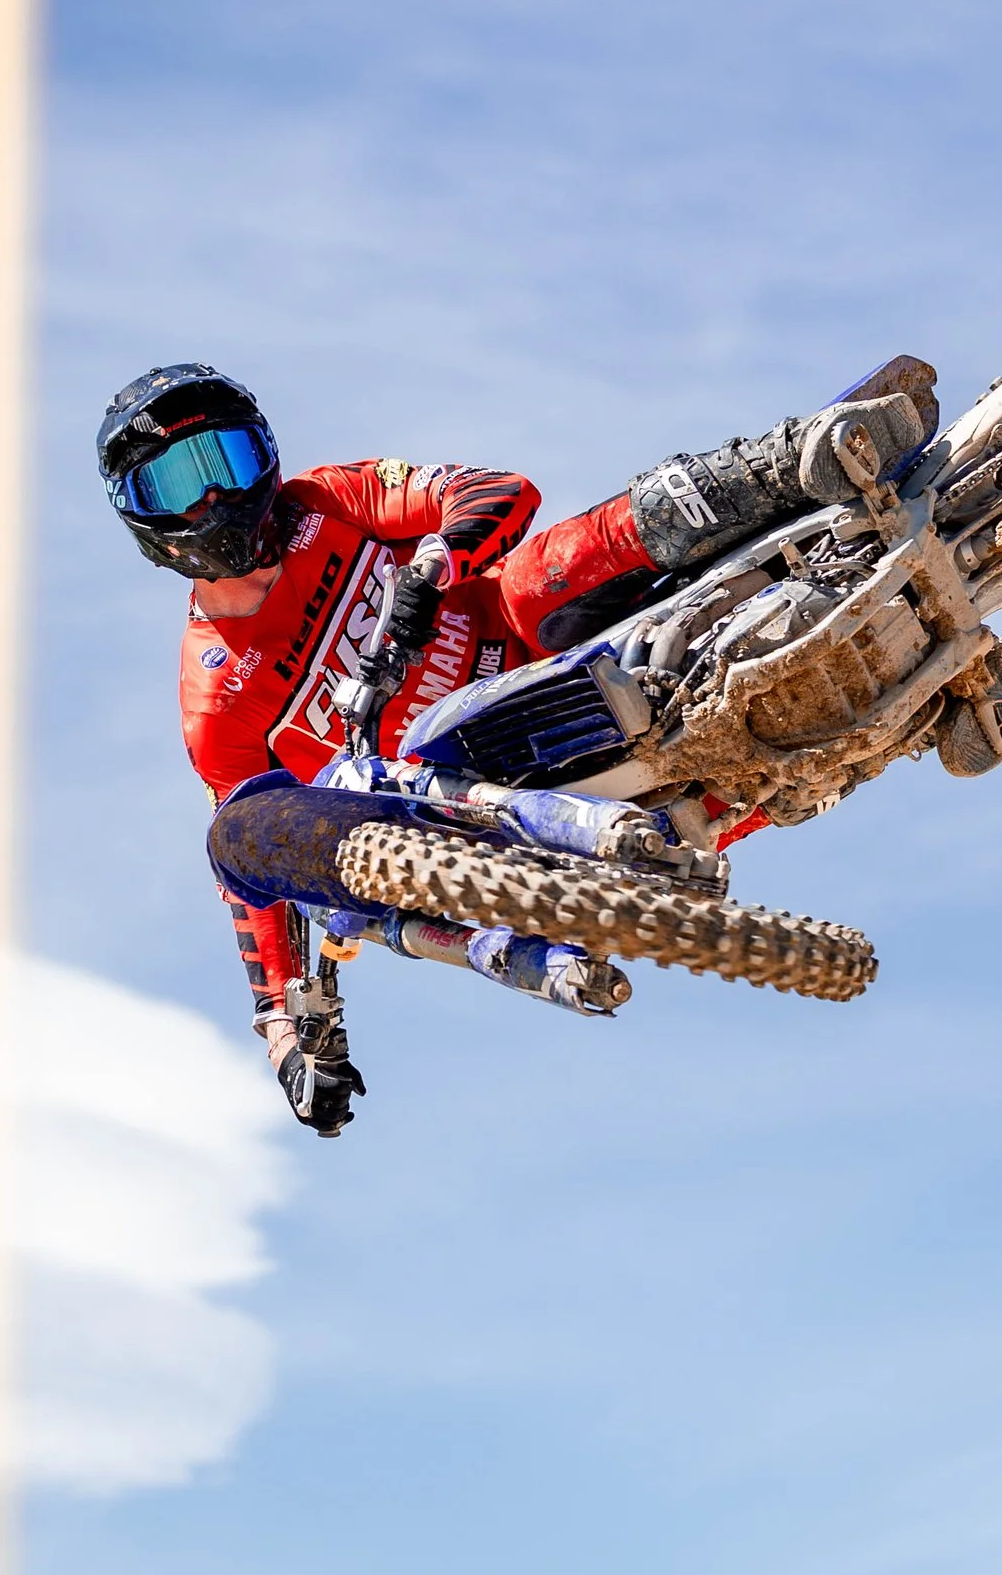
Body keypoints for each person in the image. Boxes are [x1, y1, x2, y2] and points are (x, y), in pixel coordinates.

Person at [99, 353, 939, 1135]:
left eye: (227, 465)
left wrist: (433, 567)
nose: (213, 501)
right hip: (477, 770)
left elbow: (496, 490)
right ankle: (884, 728)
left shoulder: (329, 499)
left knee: (539, 573)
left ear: (267, 458)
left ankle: (790, 462)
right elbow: (257, 873)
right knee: (674, 828)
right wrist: (288, 1034)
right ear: (144, 522)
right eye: (177, 483)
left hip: (533, 633)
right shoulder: (218, 698)